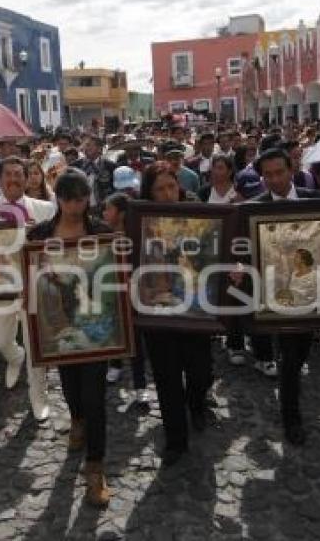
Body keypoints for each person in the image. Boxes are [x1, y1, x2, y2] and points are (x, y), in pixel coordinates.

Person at [26, 170, 113, 507]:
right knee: (71, 386)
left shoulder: (101, 232)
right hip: (58, 321)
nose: (76, 206)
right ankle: (76, 419)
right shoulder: (40, 234)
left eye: (82, 199)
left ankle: (95, 468)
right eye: (70, 199)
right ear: (58, 199)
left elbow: (113, 275)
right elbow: (30, 275)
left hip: (96, 325)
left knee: (95, 396)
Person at [244, 148, 320, 445]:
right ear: (262, 177)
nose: (275, 179)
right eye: (268, 175)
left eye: (280, 172)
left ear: (292, 170)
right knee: (288, 357)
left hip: (313, 290)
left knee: (301, 350)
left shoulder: (316, 200)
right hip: (276, 294)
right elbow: (244, 250)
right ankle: (291, 417)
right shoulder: (254, 208)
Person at [139, 162, 214, 465]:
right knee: (166, 377)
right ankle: (175, 439)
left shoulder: (198, 218)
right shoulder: (141, 221)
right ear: (150, 193)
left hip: (195, 307)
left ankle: (196, 403)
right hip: (156, 312)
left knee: (200, 371)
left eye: (172, 186)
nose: (168, 194)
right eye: (160, 189)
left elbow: (214, 252)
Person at [0, 157, 55, 421]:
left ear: (27, 177)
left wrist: (37, 238)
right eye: (8, 174)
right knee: (0, 340)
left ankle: (38, 397)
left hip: (34, 287)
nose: (14, 179)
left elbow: (57, 249)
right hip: (1, 288)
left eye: (19, 174)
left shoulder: (44, 209)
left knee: (36, 347)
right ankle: (14, 357)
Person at [101, 192, 150, 408]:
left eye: (108, 209)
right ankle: (115, 365)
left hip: (133, 295)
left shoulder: (135, 236)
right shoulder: (102, 234)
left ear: (120, 214)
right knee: (114, 331)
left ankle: (140, 385)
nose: (104, 213)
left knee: (135, 339)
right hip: (111, 294)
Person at [71, 136, 117, 212]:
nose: (86, 148)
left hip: (103, 209)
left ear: (99, 148)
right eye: (85, 145)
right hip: (81, 209)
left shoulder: (110, 166)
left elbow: (114, 189)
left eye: (89, 145)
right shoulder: (75, 166)